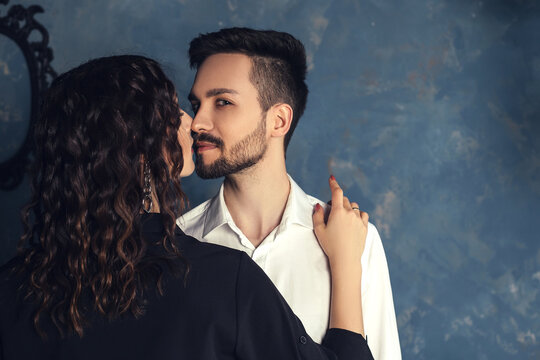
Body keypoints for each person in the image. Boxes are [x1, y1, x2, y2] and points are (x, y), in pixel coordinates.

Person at [0, 55, 374, 360]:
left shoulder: (12, 286)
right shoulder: (224, 281)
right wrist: (345, 265)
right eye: (172, 110)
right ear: (141, 150)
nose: (192, 122)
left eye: (220, 102)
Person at [178, 27, 401, 360]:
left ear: (278, 120)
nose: (197, 123)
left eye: (222, 102)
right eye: (197, 104)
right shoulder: (177, 242)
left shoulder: (357, 242)